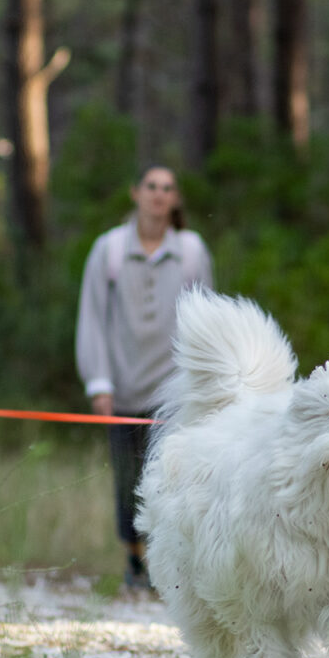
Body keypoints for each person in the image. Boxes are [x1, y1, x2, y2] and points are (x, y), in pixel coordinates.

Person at [75, 165, 213, 590]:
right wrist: (99, 382)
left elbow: (205, 321)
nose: (158, 195)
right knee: (127, 478)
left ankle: (166, 566)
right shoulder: (109, 249)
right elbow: (93, 318)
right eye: (151, 186)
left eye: (167, 188)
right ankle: (134, 562)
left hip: (174, 393)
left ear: (175, 199)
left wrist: (202, 383)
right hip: (123, 386)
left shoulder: (191, 251)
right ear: (135, 193)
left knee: (173, 479)